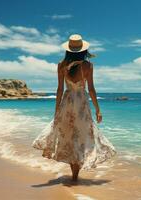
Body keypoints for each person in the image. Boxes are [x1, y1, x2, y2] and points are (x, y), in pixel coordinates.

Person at [32, 34, 116, 181]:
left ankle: (74, 174)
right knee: (81, 136)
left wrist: (57, 109)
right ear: (83, 50)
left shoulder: (61, 65)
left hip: (67, 102)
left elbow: (59, 89)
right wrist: (98, 109)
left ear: (68, 50)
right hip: (81, 104)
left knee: (70, 137)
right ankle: (75, 175)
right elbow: (91, 89)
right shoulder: (88, 66)